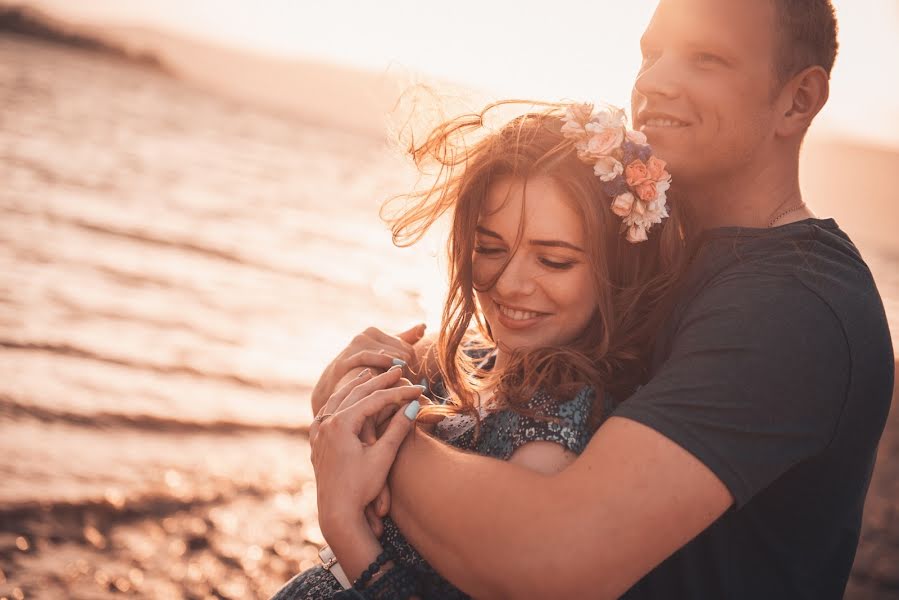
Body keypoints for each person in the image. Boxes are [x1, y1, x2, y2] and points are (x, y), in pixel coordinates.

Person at [291, 0, 894, 598]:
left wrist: (362, 419)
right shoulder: (658, 258)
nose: (655, 80)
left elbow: (552, 557)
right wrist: (390, 378)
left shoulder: (796, 304)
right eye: (651, 54)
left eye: (706, 58)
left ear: (799, 99)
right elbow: (517, 385)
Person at [272, 102, 685, 598]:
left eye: (553, 261)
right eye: (489, 248)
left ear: (614, 273)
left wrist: (345, 530)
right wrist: (339, 394)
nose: (510, 284)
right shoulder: (462, 364)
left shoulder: (554, 420)